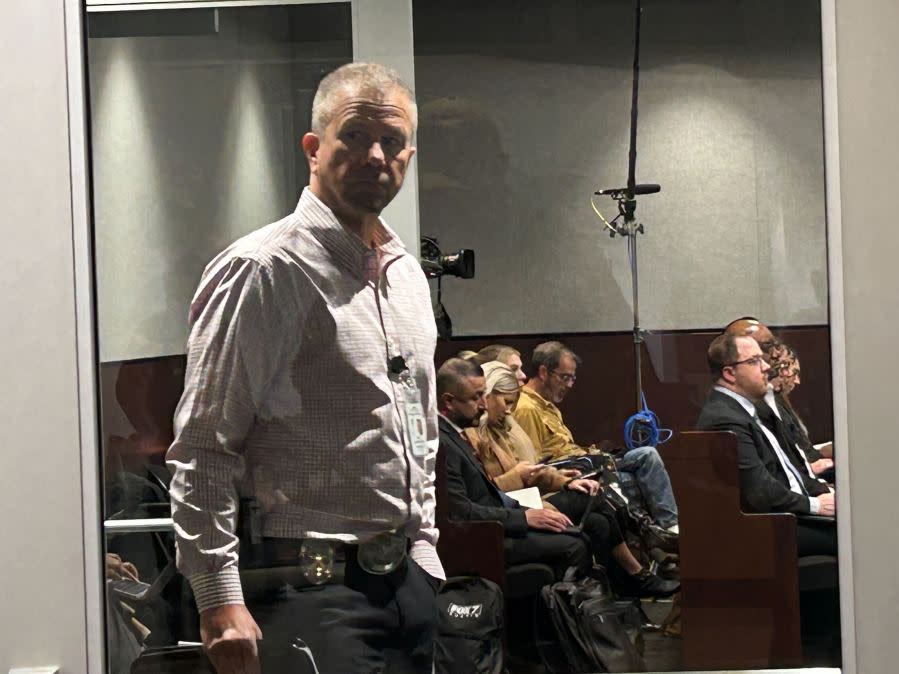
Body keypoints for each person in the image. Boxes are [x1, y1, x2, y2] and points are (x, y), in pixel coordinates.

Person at [167, 63, 442, 674]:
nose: (376, 155)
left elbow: (420, 426)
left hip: (407, 587)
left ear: (410, 154)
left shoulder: (406, 275)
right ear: (314, 148)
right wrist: (218, 600)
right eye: (355, 136)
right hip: (305, 592)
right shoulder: (265, 270)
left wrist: (425, 552)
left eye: (392, 142)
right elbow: (204, 447)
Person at [467, 361, 679, 598]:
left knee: (599, 520)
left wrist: (565, 482)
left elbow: (535, 469)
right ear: (487, 395)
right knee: (595, 493)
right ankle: (643, 563)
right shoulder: (475, 435)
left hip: (533, 493)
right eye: (506, 403)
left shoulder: (502, 427)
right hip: (514, 509)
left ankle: (619, 595)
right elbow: (488, 491)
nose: (509, 410)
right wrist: (519, 477)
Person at [437, 358, 590, 581]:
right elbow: (461, 511)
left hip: (498, 520)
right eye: (476, 397)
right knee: (574, 545)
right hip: (481, 538)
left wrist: (526, 511)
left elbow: (487, 495)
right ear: (449, 402)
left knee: (578, 532)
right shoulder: (443, 443)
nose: (483, 404)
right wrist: (523, 518)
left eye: (484, 395)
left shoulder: (457, 434)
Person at [513, 341, 679, 533]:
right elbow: (535, 464)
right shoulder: (526, 408)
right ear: (543, 372)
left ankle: (669, 529)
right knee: (637, 479)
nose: (569, 385)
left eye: (572, 379)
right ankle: (666, 533)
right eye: (564, 377)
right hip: (570, 474)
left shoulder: (548, 406)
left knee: (646, 456)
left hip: (586, 461)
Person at [696, 333, 836, 556]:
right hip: (763, 529)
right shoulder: (724, 418)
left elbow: (788, 470)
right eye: (754, 361)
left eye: (762, 359)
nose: (766, 368)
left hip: (783, 515)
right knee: (857, 534)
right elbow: (760, 492)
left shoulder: (748, 409)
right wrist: (817, 505)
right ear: (730, 373)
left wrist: (825, 492)